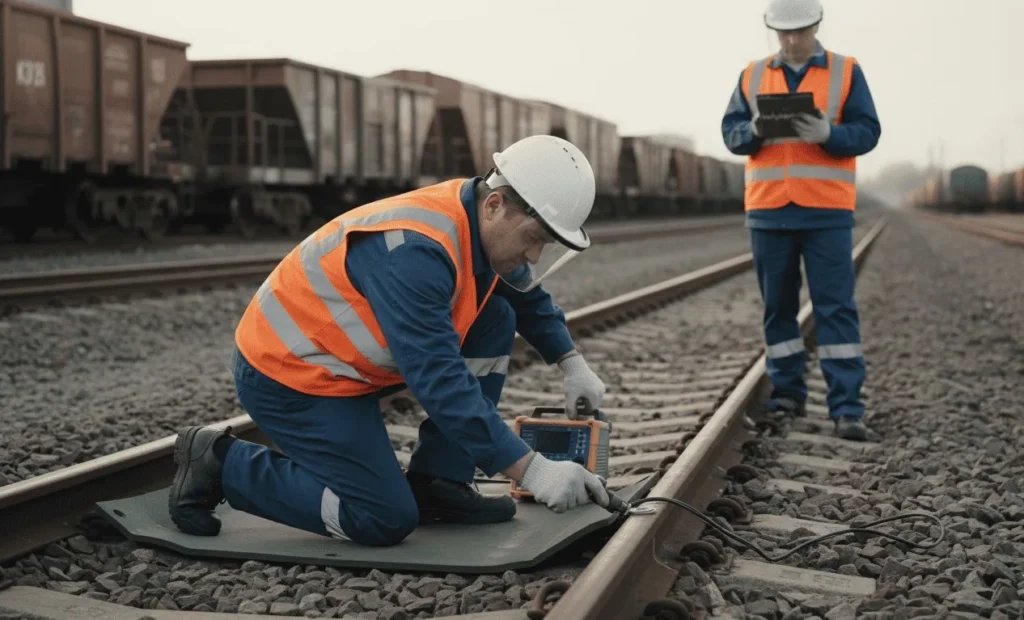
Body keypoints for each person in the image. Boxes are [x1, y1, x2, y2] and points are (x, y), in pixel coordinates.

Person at [167, 135, 614, 546]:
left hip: (344, 364)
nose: (534, 257)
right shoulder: (414, 253)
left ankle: (439, 483)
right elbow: (437, 379)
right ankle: (222, 463)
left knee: (494, 315)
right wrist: (531, 469)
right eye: (534, 240)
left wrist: (570, 361)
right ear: (495, 204)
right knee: (382, 518)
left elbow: (521, 292)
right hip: (295, 375)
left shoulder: (474, 216)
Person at [720, 0, 881, 440]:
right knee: (779, 311)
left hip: (826, 211)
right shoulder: (752, 75)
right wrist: (754, 131)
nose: (792, 40)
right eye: (784, 33)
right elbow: (731, 132)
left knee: (835, 309)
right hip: (770, 211)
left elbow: (868, 131)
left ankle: (847, 407)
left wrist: (830, 135)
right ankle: (787, 394)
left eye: (801, 32)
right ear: (774, 31)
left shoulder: (847, 71)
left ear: (816, 26)